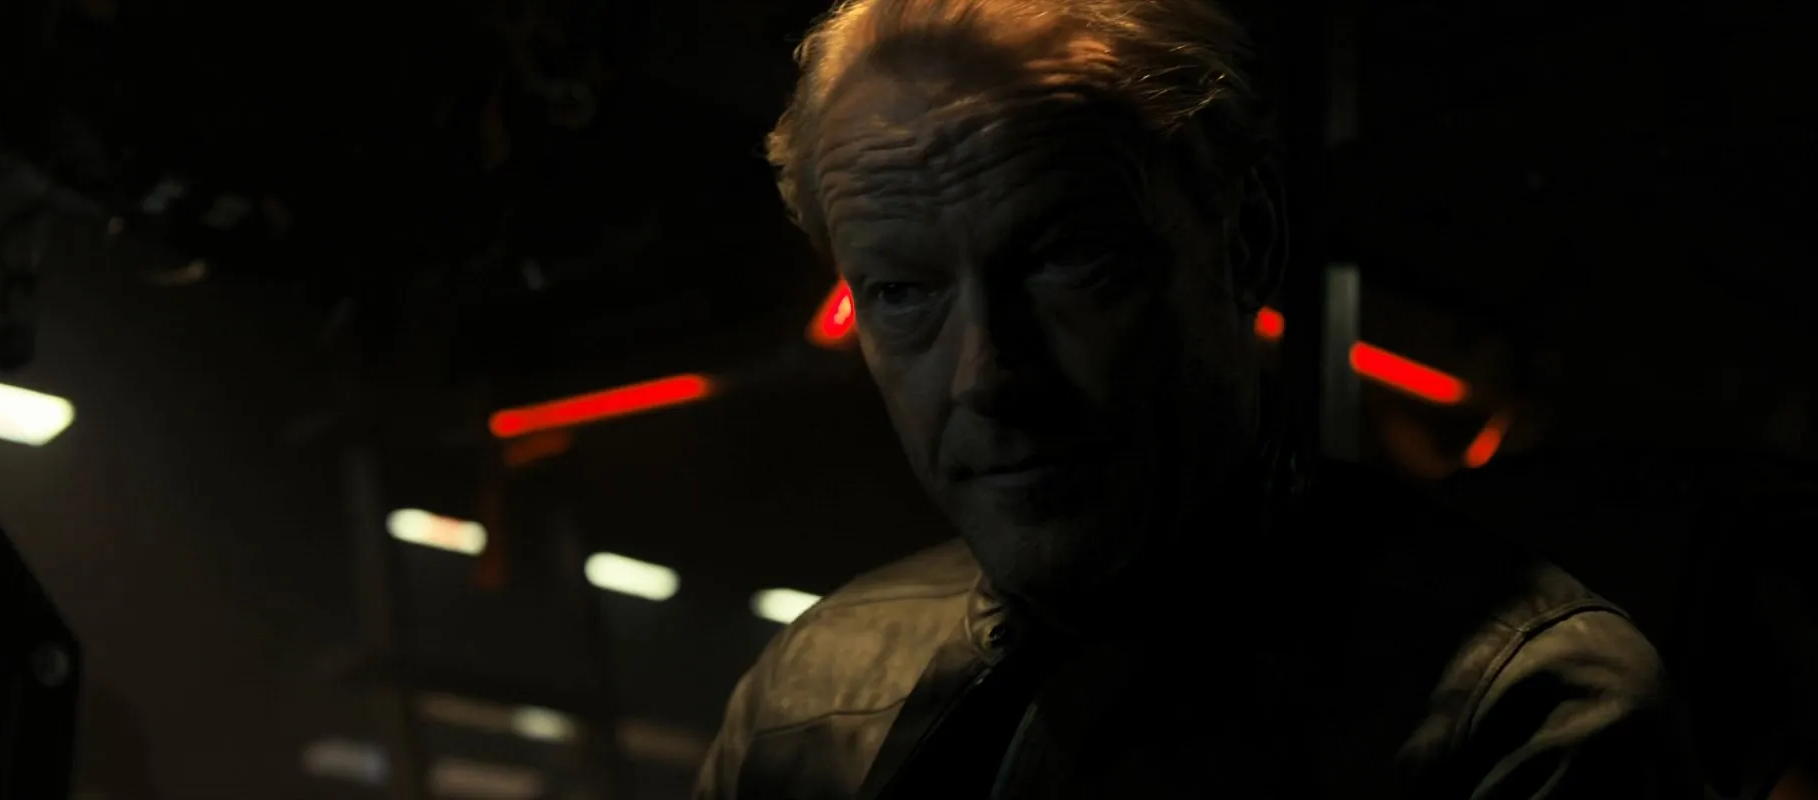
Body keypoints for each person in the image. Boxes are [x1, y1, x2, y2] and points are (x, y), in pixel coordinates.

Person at [697, 0, 1684, 796]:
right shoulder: (807, 692)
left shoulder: (1518, 704)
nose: (988, 374)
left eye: (1064, 258)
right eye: (903, 292)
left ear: (1246, 244)